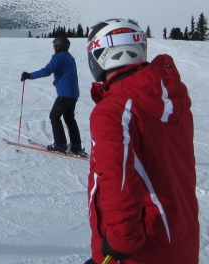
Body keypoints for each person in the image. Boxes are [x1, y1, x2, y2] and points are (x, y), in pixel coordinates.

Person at [84, 18, 199, 264]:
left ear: (100, 54)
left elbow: (117, 181)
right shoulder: (172, 101)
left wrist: (118, 243)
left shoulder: (112, 111)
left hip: (140, 254)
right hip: (180, 244)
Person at [20, 35, 86, 156]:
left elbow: (47, 71)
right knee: (69, 118)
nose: (53, 48)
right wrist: (58, 81)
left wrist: (29, 75)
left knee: (54, 116)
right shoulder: (69, 57)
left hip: (65, 94)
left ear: (58, 47)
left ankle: (60, 144)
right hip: (73, 93)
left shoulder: (58, 58)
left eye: (54, 46)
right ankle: (76, 145)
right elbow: (68, 73)